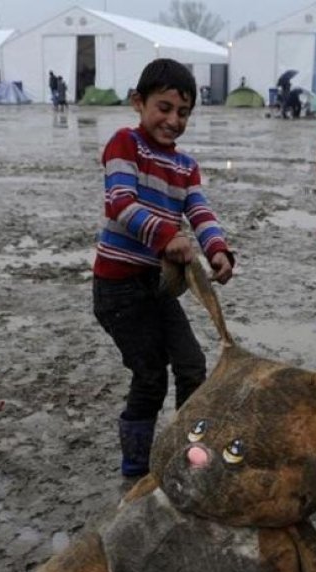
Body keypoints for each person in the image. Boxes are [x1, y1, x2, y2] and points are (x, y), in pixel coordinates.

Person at [92, 58, 235, 478]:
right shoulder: (124, 145)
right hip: (118, 290)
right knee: (151, 376)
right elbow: (120, 202)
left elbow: (200, 211)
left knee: (192, 365)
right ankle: (136, 466)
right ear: (139, 102)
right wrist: (166, 236)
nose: (173, 120)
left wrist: (218, 251)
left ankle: (184, 450)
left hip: (158, 288)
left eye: (183, 112)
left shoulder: (186, 167)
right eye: (164, 107)